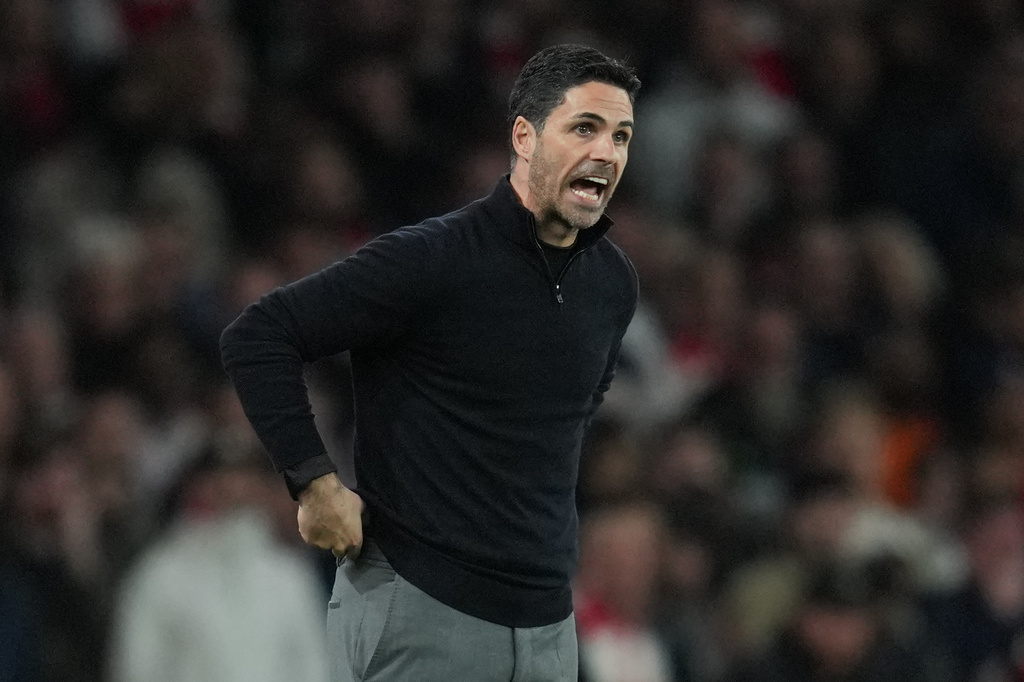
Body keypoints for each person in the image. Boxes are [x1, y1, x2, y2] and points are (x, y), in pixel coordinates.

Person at [220, 43, 641, 681]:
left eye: (621, 135)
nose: (606, 152)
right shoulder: (434, 258)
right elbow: (261, 334)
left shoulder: (612, 284)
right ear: (524, 137)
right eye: (585, 128)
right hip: (421, 610)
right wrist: (314, 482)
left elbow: (567, 425)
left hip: (549, 628)